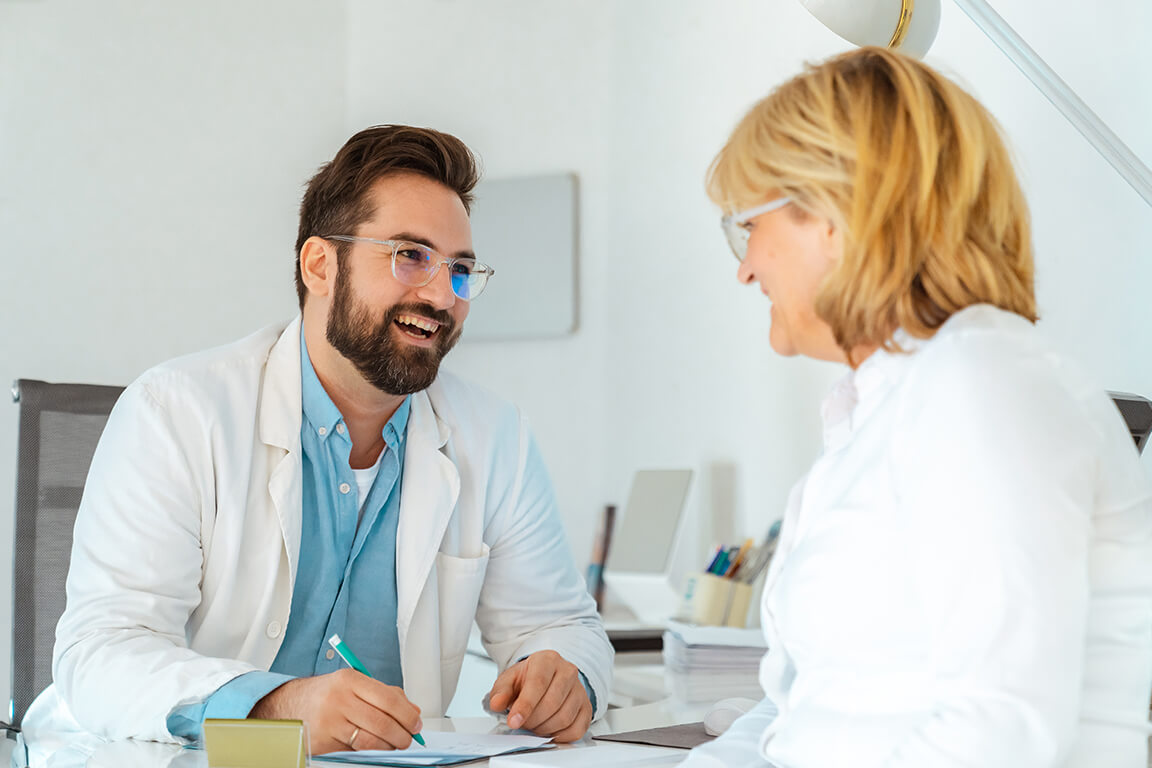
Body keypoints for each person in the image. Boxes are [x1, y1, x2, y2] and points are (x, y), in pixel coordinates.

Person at [22, 125, 613, 758]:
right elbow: (103, 651)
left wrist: (564, 674)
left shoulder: (495, 437)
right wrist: (273, 706)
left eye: (460, 269)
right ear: (320, 265)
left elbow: (560, 626)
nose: (442, 294)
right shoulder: (176, 412)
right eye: (410, 255)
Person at [679, 48, 1152, 768]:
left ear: (838, 214)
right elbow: (795, 711)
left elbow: (1000, 735)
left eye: (750, 225)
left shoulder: (983, 387)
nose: (745, 266)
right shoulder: (880, 411)